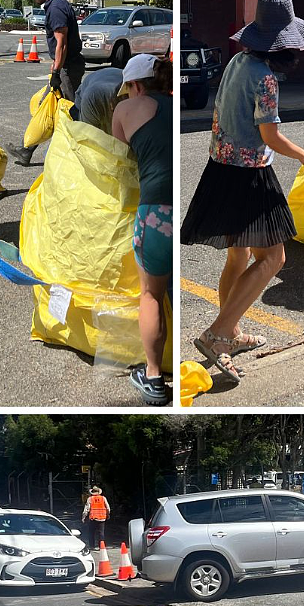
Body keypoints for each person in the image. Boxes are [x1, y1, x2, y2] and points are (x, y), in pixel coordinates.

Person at [180, 0, 304, 383]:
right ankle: (218, 333)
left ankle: (232, 333)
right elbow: (270, 137)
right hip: (250, 174)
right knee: (274, 259)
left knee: (237, 258)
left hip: (219, 169)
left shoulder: (238, 61)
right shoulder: (267, 78)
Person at [112, 55, 173, 405]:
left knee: (151, 294)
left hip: (155, 213)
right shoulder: (175, 103)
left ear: (135, 86)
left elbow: (118, 157)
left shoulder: (126, 109)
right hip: (183, 208)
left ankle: (153, 376)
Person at [10, 0, 85, 165]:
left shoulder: (57, 8)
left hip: (68, 68)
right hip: (64, 66)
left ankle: (83, 153)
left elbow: (62, 43)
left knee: (70, 111)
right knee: (46, 106)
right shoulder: (55, 6)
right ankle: (27, 149)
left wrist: (56, 72)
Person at [72, 67, 124, 135]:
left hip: (115, 76)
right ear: (111, 107)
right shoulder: (93, 97)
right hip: (90, 87)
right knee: (81, 131)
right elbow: (87, 135)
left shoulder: (137, 101)